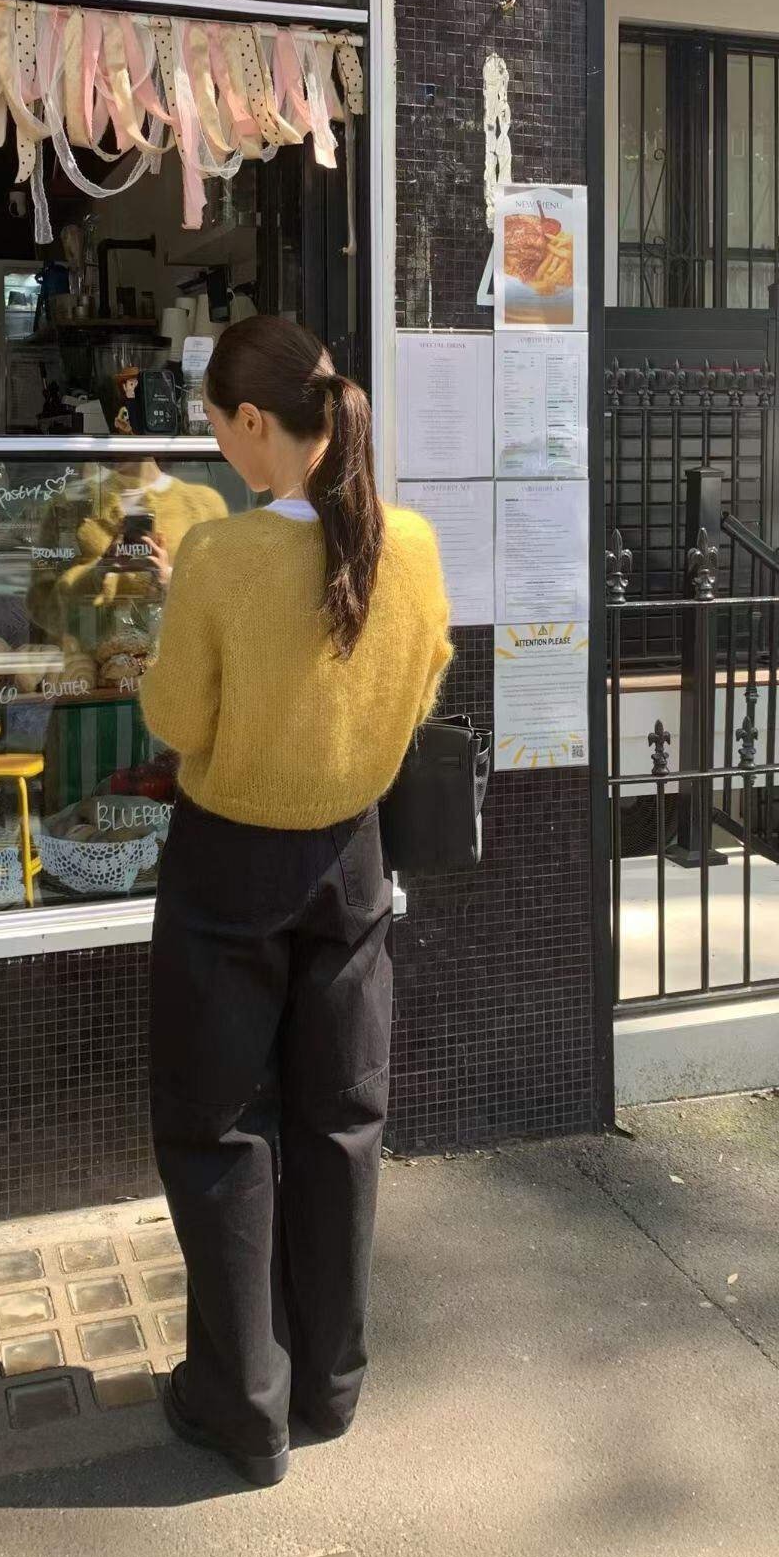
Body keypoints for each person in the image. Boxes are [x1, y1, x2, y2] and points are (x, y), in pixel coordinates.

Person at [139, 315, 451, 1489]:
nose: (217, 448)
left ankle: (242, 1409)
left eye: (219, 428)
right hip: (353, 857)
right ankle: (330, 1382)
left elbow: (178, 719)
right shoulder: (408, 543)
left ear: (254, 421)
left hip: (229, 863)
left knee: (220, 1128)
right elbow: (423, 685)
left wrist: (182, 609)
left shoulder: (219, 555)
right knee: (342, 1117)